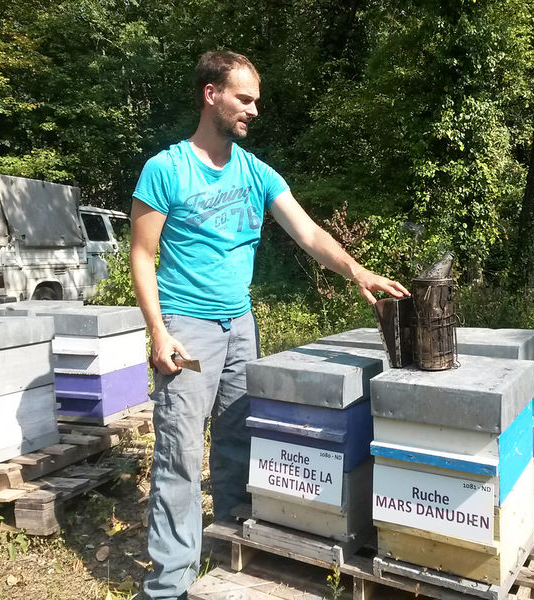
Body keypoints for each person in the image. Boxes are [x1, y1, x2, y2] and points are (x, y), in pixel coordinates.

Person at [130, 50, 409, 600]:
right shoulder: (167, 169)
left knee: (237, 440)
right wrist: (159, 332)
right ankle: (169, 584)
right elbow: (142, 254)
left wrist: (358, 270)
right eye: (245, 98)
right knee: (181, 455)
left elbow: (308, 233)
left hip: (241, 326)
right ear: (211, 94)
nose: (254, 110)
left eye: (256, 100)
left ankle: (228, 547)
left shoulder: (256, 172)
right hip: (187, 327)